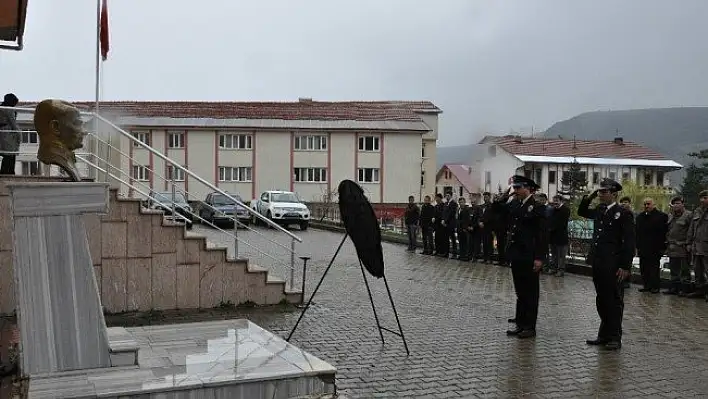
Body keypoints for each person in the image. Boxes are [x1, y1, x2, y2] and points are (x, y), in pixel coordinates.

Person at [578, 178, 635, 351]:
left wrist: (625, 266)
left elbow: (629, 242)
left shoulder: (623, 213)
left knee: (614, 301)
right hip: (599, 261)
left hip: (614, 264)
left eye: (604, 192)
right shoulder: (600, 210)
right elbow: (582, 211)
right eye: (600, 191)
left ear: (614, 194)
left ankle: (614, 337)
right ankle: (603, 335)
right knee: (601, 300)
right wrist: (590, 196)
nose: (601, 194)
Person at [498, 175, 547, 339]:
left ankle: (529, 327)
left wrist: (539, 257)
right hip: (517, 255)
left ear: (528, 188)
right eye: (514, 188)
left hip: (530, 256)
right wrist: (505, 196)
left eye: (518, 188)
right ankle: (520, 324)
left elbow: (541, 235)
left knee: (531, 293)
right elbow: (497, 210)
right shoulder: (515, 204)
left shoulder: (537, 207)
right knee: (520, 292)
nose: (516, 191)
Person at [635, 197, 669, 293]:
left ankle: (655, 286)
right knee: (644, 267)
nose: (646, 206)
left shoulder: (661, 216)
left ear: (653, 205)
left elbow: (663, 233)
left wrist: (662, 247)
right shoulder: (639, 217)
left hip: (655, 247)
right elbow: (637, 233)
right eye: (645, 204)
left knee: (654, 268)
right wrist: (637, 246)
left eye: (648, 204)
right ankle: (646, 285)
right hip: (643, 247)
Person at [664, 196, 692, 296]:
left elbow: (691, 231)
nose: (676, 205)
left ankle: (685, 289)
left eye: (678, 203)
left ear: (683, 204)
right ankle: (674, 288)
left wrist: (689, 243)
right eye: (674, 203)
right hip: (672, 247)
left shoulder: (688, 215)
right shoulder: (671, 216)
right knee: (674, 270)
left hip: (683, 247)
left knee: (684, 270)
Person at [686, 190, 708, 300]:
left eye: (705, 198)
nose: (703, 200)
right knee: (697, 270)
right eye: (701, 198)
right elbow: (691, 228)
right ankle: (700, 290)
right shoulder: (697, 211)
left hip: (706, 246)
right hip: (696, 246)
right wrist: (689, 242)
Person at [549, 195, 571, 277]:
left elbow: (561, 223)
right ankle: (553, 268)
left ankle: (561, 270)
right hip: (553, 236)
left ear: (561, 201)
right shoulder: (553, 210)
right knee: (554, 254)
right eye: (554, 200)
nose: (555, 202)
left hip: (561, 236)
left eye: (557, 200)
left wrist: (551, 228)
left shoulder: (565, 210)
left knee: (561, 255)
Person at [0, 93, 20, 175]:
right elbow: (13, 124)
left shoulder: (1, 108)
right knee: (10, 154)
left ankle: (5, 172)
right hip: (8, 133)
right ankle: (9, 173)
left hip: (2, 133)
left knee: (6, 154)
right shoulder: (9, 109)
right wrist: (20, 136)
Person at [456, 197, 474, 261]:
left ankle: (466, 256)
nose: (461, 204)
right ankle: (461, 255)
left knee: (465, 243)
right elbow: (458, 219)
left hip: (464, 229)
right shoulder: (458, 209)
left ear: (464, 202)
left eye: (462, 202)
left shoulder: (467, 209)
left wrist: (465, 228)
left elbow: (467, 220)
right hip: (459, 228)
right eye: (460, 202)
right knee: (461, 242)